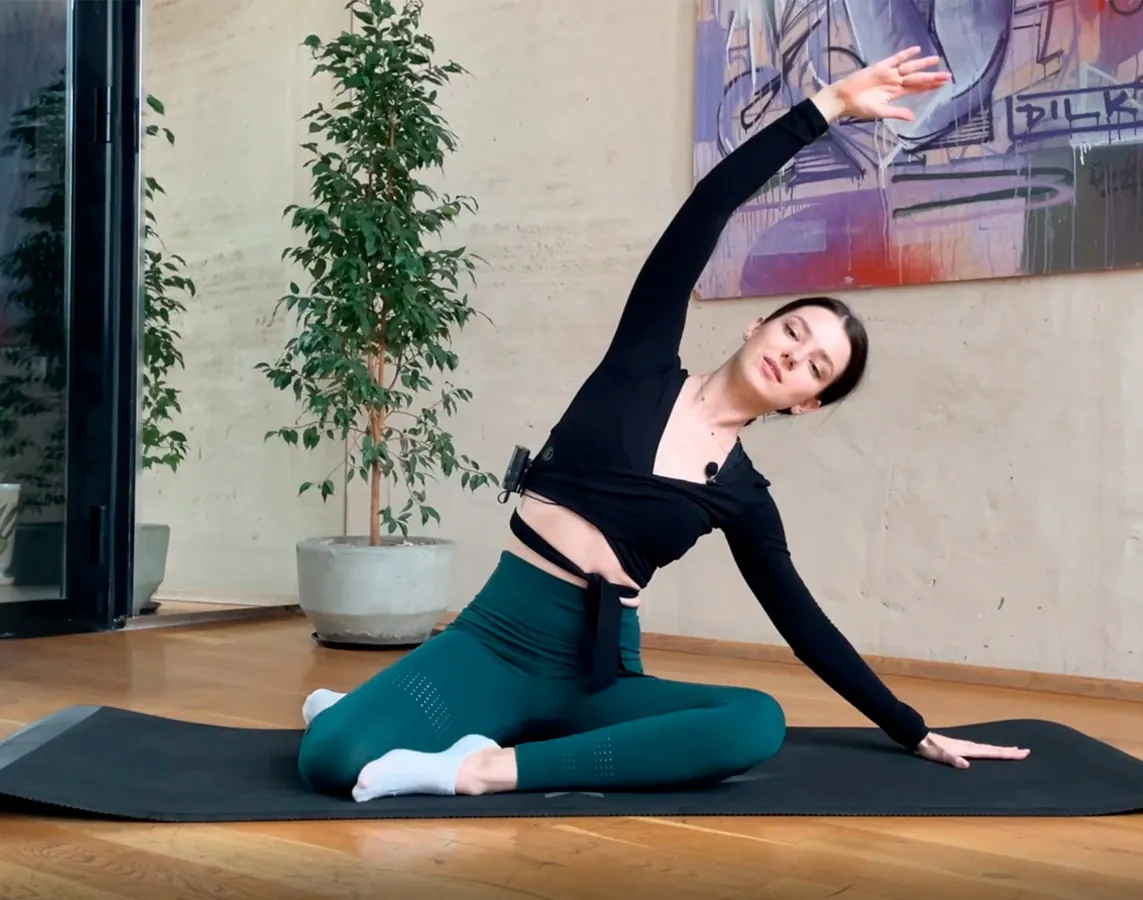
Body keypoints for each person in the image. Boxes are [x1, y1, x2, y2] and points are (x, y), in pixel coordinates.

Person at [297, 47, 1031, 802]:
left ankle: (479, 768)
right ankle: (370, 715)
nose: (794, 356)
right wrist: (830, 106)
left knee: (754, 722)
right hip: (500, 639)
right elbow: (706, 210)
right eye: (794, 332)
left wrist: (911, 728)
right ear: (757, 326)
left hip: (600, 674)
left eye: (817, 367)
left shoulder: (743, 496)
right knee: (329, 760)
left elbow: (803, 623)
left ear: (806, 403)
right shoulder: (641, 361)